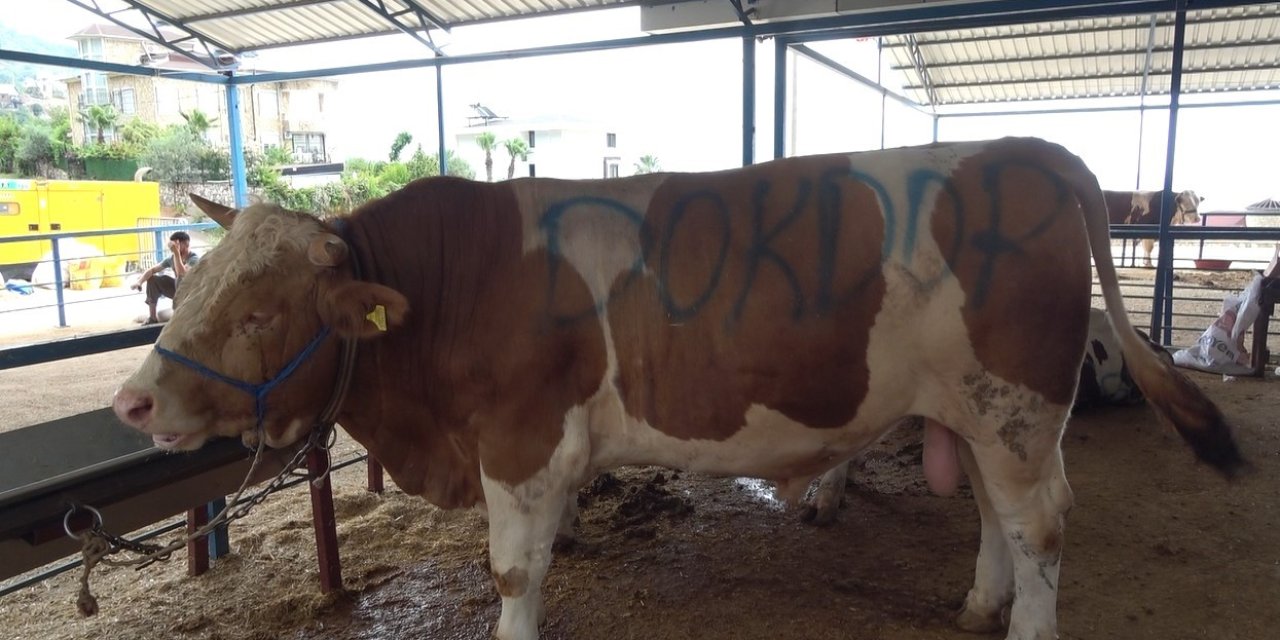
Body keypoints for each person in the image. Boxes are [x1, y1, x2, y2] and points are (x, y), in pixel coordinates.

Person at [132, 231, 199, 324]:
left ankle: (179, 314)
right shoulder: (172, 258)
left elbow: (182, 274)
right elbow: (152, 270)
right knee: (153, 279)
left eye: (176, 244)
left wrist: (176, 253)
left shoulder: (194, 259)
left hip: (191, 294)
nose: (172, 247)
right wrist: (139, 282)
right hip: (178, 291)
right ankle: (152, 318)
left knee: (180, 279)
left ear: (185, 244)